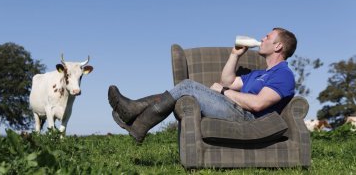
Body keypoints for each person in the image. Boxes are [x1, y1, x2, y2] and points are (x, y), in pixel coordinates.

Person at [108, 27, 297, 143]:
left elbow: (257, 104)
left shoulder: (283, 75)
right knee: (185, 90)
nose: (262, 39)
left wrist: (224, 92)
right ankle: (137, 121)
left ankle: (135, 115)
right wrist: (235, 55)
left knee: (188, 86)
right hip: (236, 110)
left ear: (278, 46)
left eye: (268, 37)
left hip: (249, 119)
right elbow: (228, 81)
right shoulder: (260, 74)